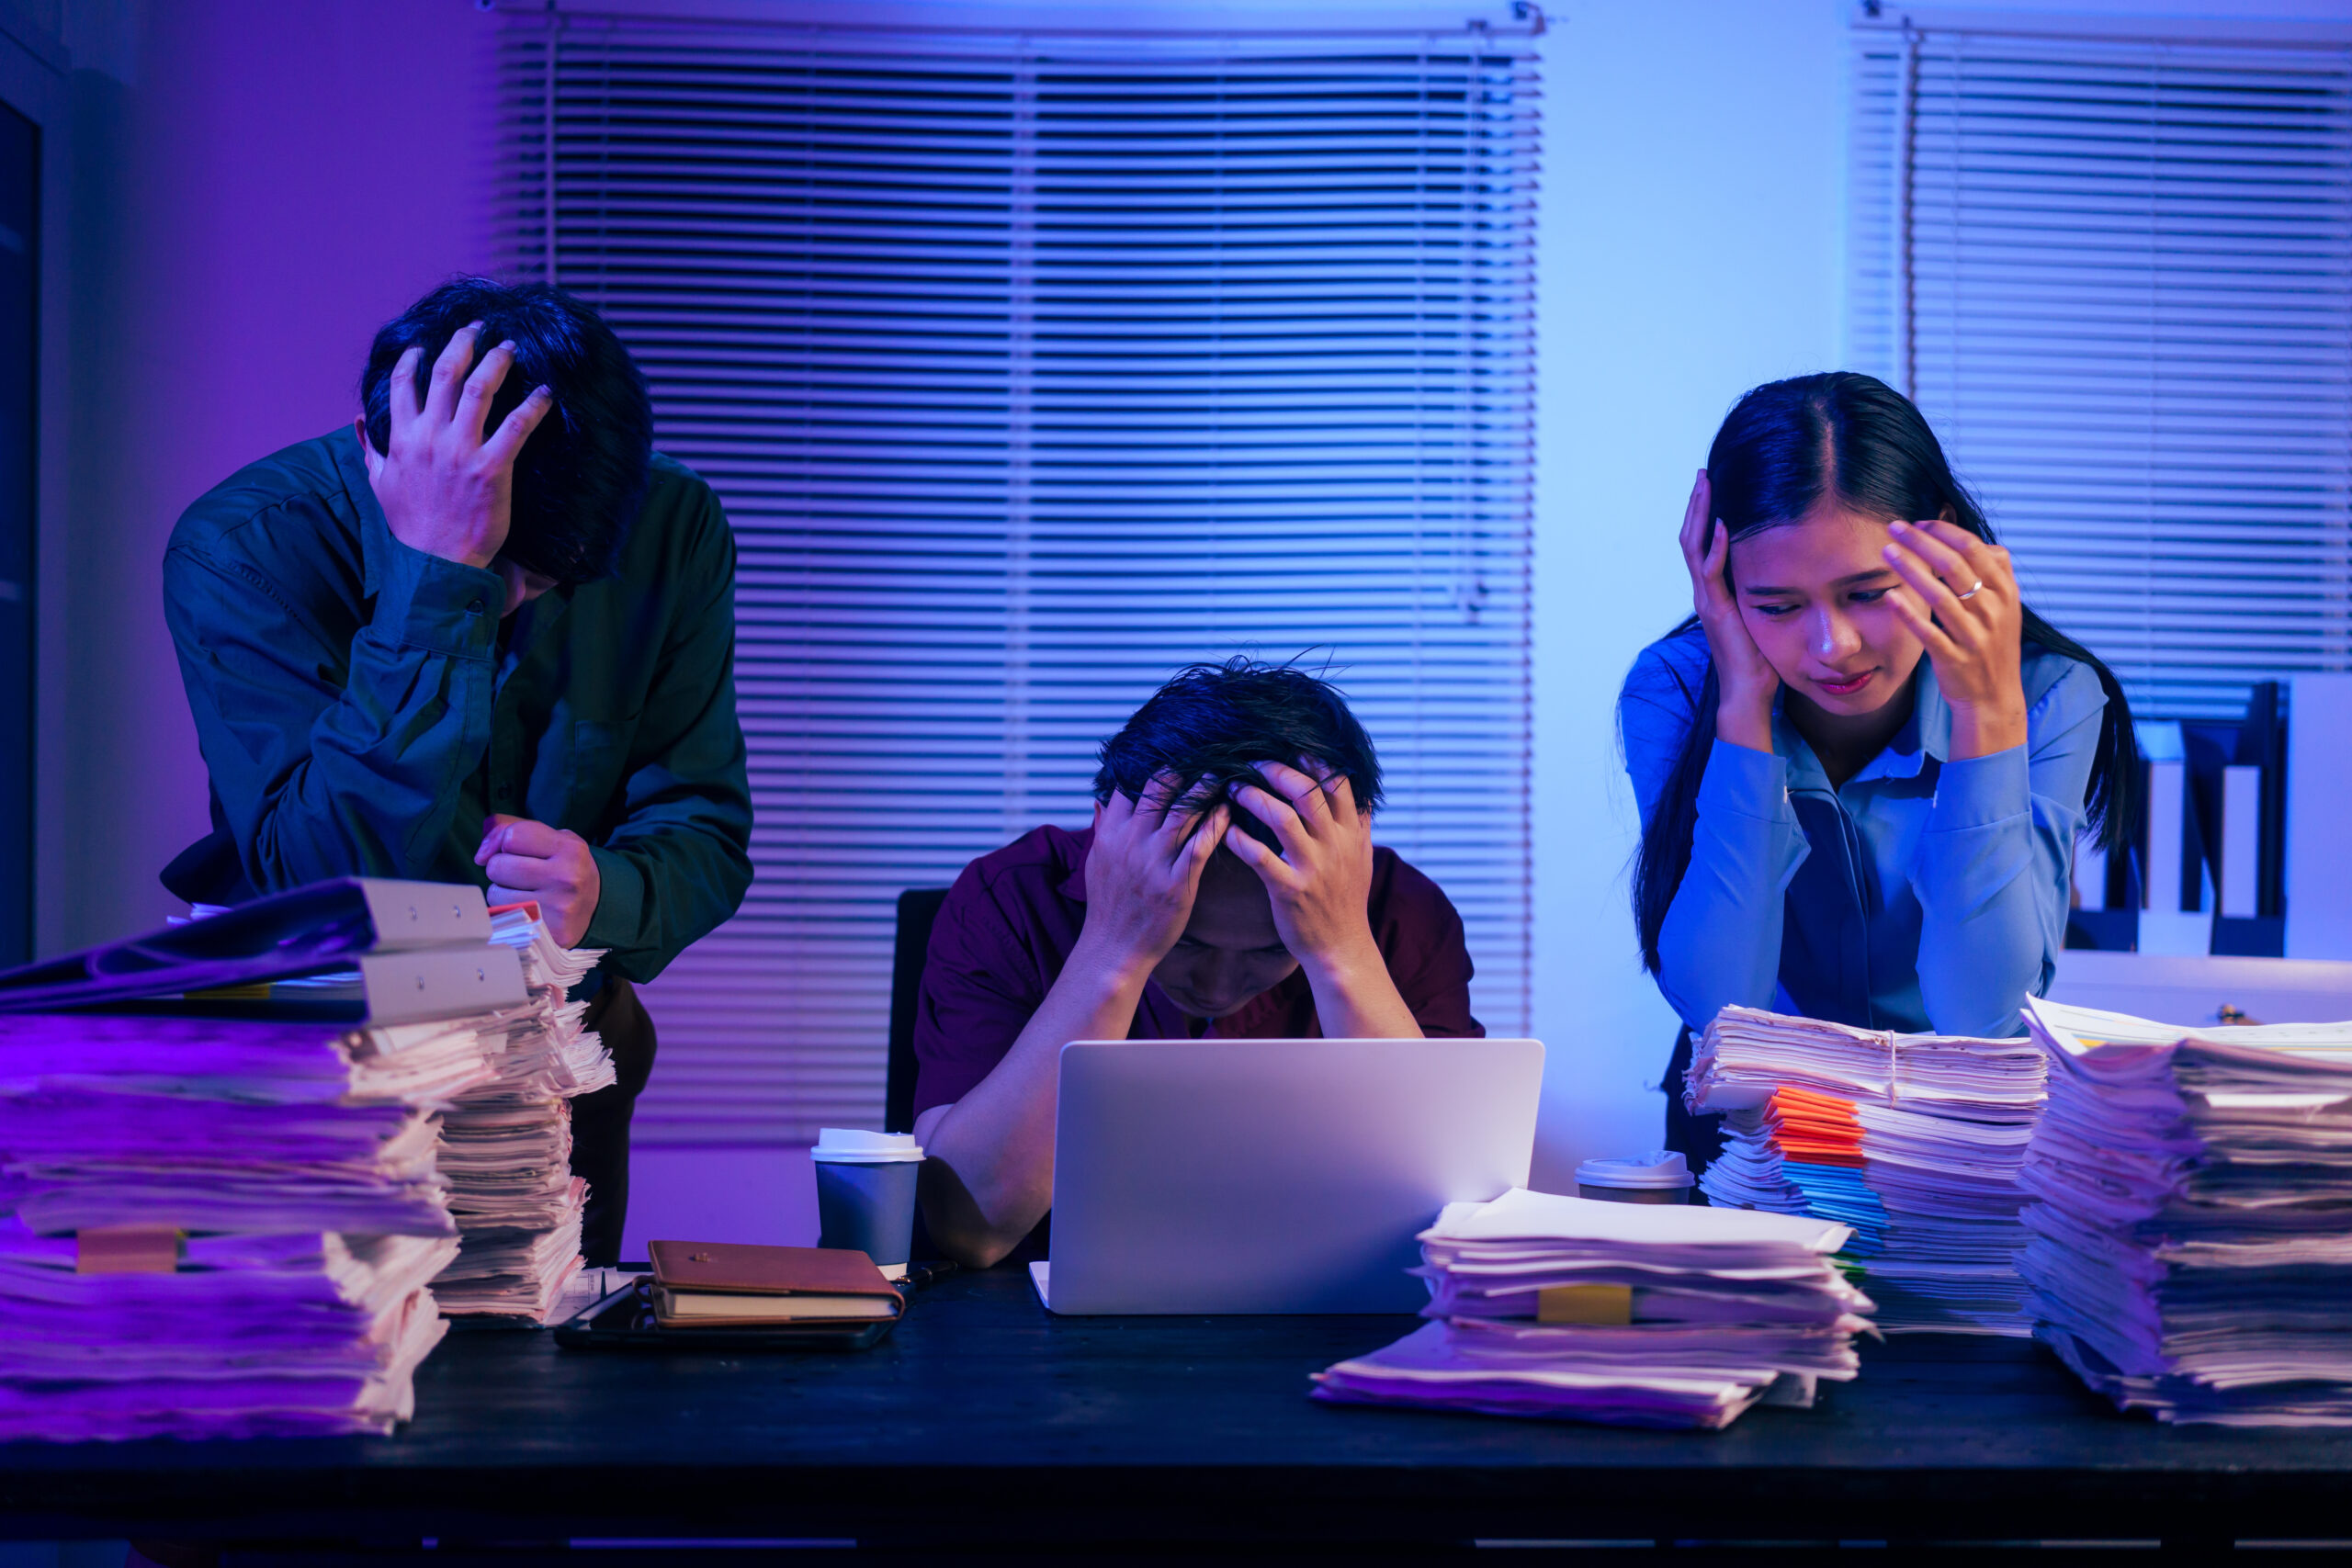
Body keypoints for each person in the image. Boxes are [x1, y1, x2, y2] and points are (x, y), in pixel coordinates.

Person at [160, 277, 753, 1263]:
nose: (516, 606)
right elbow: (319, 881)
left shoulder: (673, 527)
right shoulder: (244, 547)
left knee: (553, 1390)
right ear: (376, 444)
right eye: (504, 576)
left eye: (546, 585)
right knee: (328, 1385)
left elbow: (704, 833)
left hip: (547, 1070)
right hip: (317, 1054)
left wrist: (608, 889)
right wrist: (439, 579)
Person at [1619, 372, 2135, 1169]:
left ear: (1944, 547)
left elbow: (1984, 1016)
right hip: (1752, 1143)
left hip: (1958, 1140)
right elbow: (1722, 1006)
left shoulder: (2051, 697)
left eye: (1867, 592)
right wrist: (1744, 711)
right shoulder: (1678, 690)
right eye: (1779, 605)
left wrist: (1988, 718)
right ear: (1722, 584)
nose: (1833, 646)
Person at [910, 659, 1482, 1269]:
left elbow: (1455, 1221)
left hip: (1321, 1317)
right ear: (1110, 840)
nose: (1215, 987)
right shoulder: (1010, 902)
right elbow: (968, 1229)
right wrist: (1115, 943)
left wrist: (1340, 945)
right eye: (1185, 941)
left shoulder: (1404, 916)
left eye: (1271, 948)